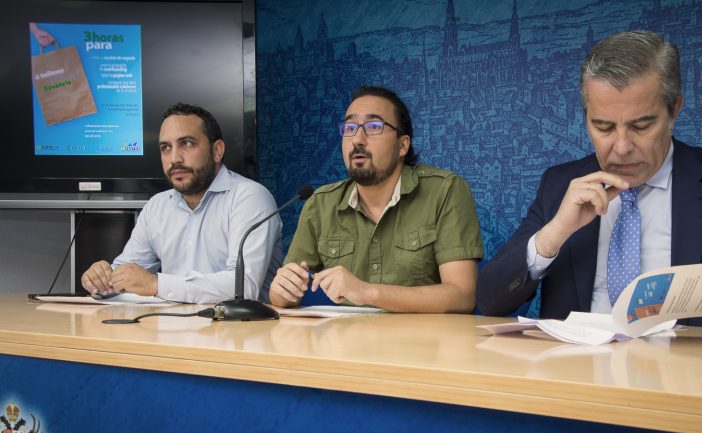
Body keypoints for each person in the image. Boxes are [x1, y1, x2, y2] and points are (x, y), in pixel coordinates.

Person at [477, 30, 702, 328]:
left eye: (641, 126)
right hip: (577, 358)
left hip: (687, 358)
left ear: (675, 109)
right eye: (603, 127)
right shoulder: (559, 184)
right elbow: (489, 301)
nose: (622, 147)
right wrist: (553, 236)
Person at [269, 85, 483, 313]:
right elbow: (282, 297)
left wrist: (368, 292)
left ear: (403, 145)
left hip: (421, 336)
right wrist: (282, 290)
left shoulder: (444, 191)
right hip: (347, 335)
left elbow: (463, 295)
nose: (357, 139)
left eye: (373, 127)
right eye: (350, 128)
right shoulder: (320, 204)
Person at [81, 103, 282, 303]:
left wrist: (156, 285)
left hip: (240, 323)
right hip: (171, 322)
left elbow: (244, 286)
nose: (174, 158)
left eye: (186, 143)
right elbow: (126, 277)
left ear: (217, 151)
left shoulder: (249, 198)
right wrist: (100, 280)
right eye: (165, 148)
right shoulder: (157, 206)